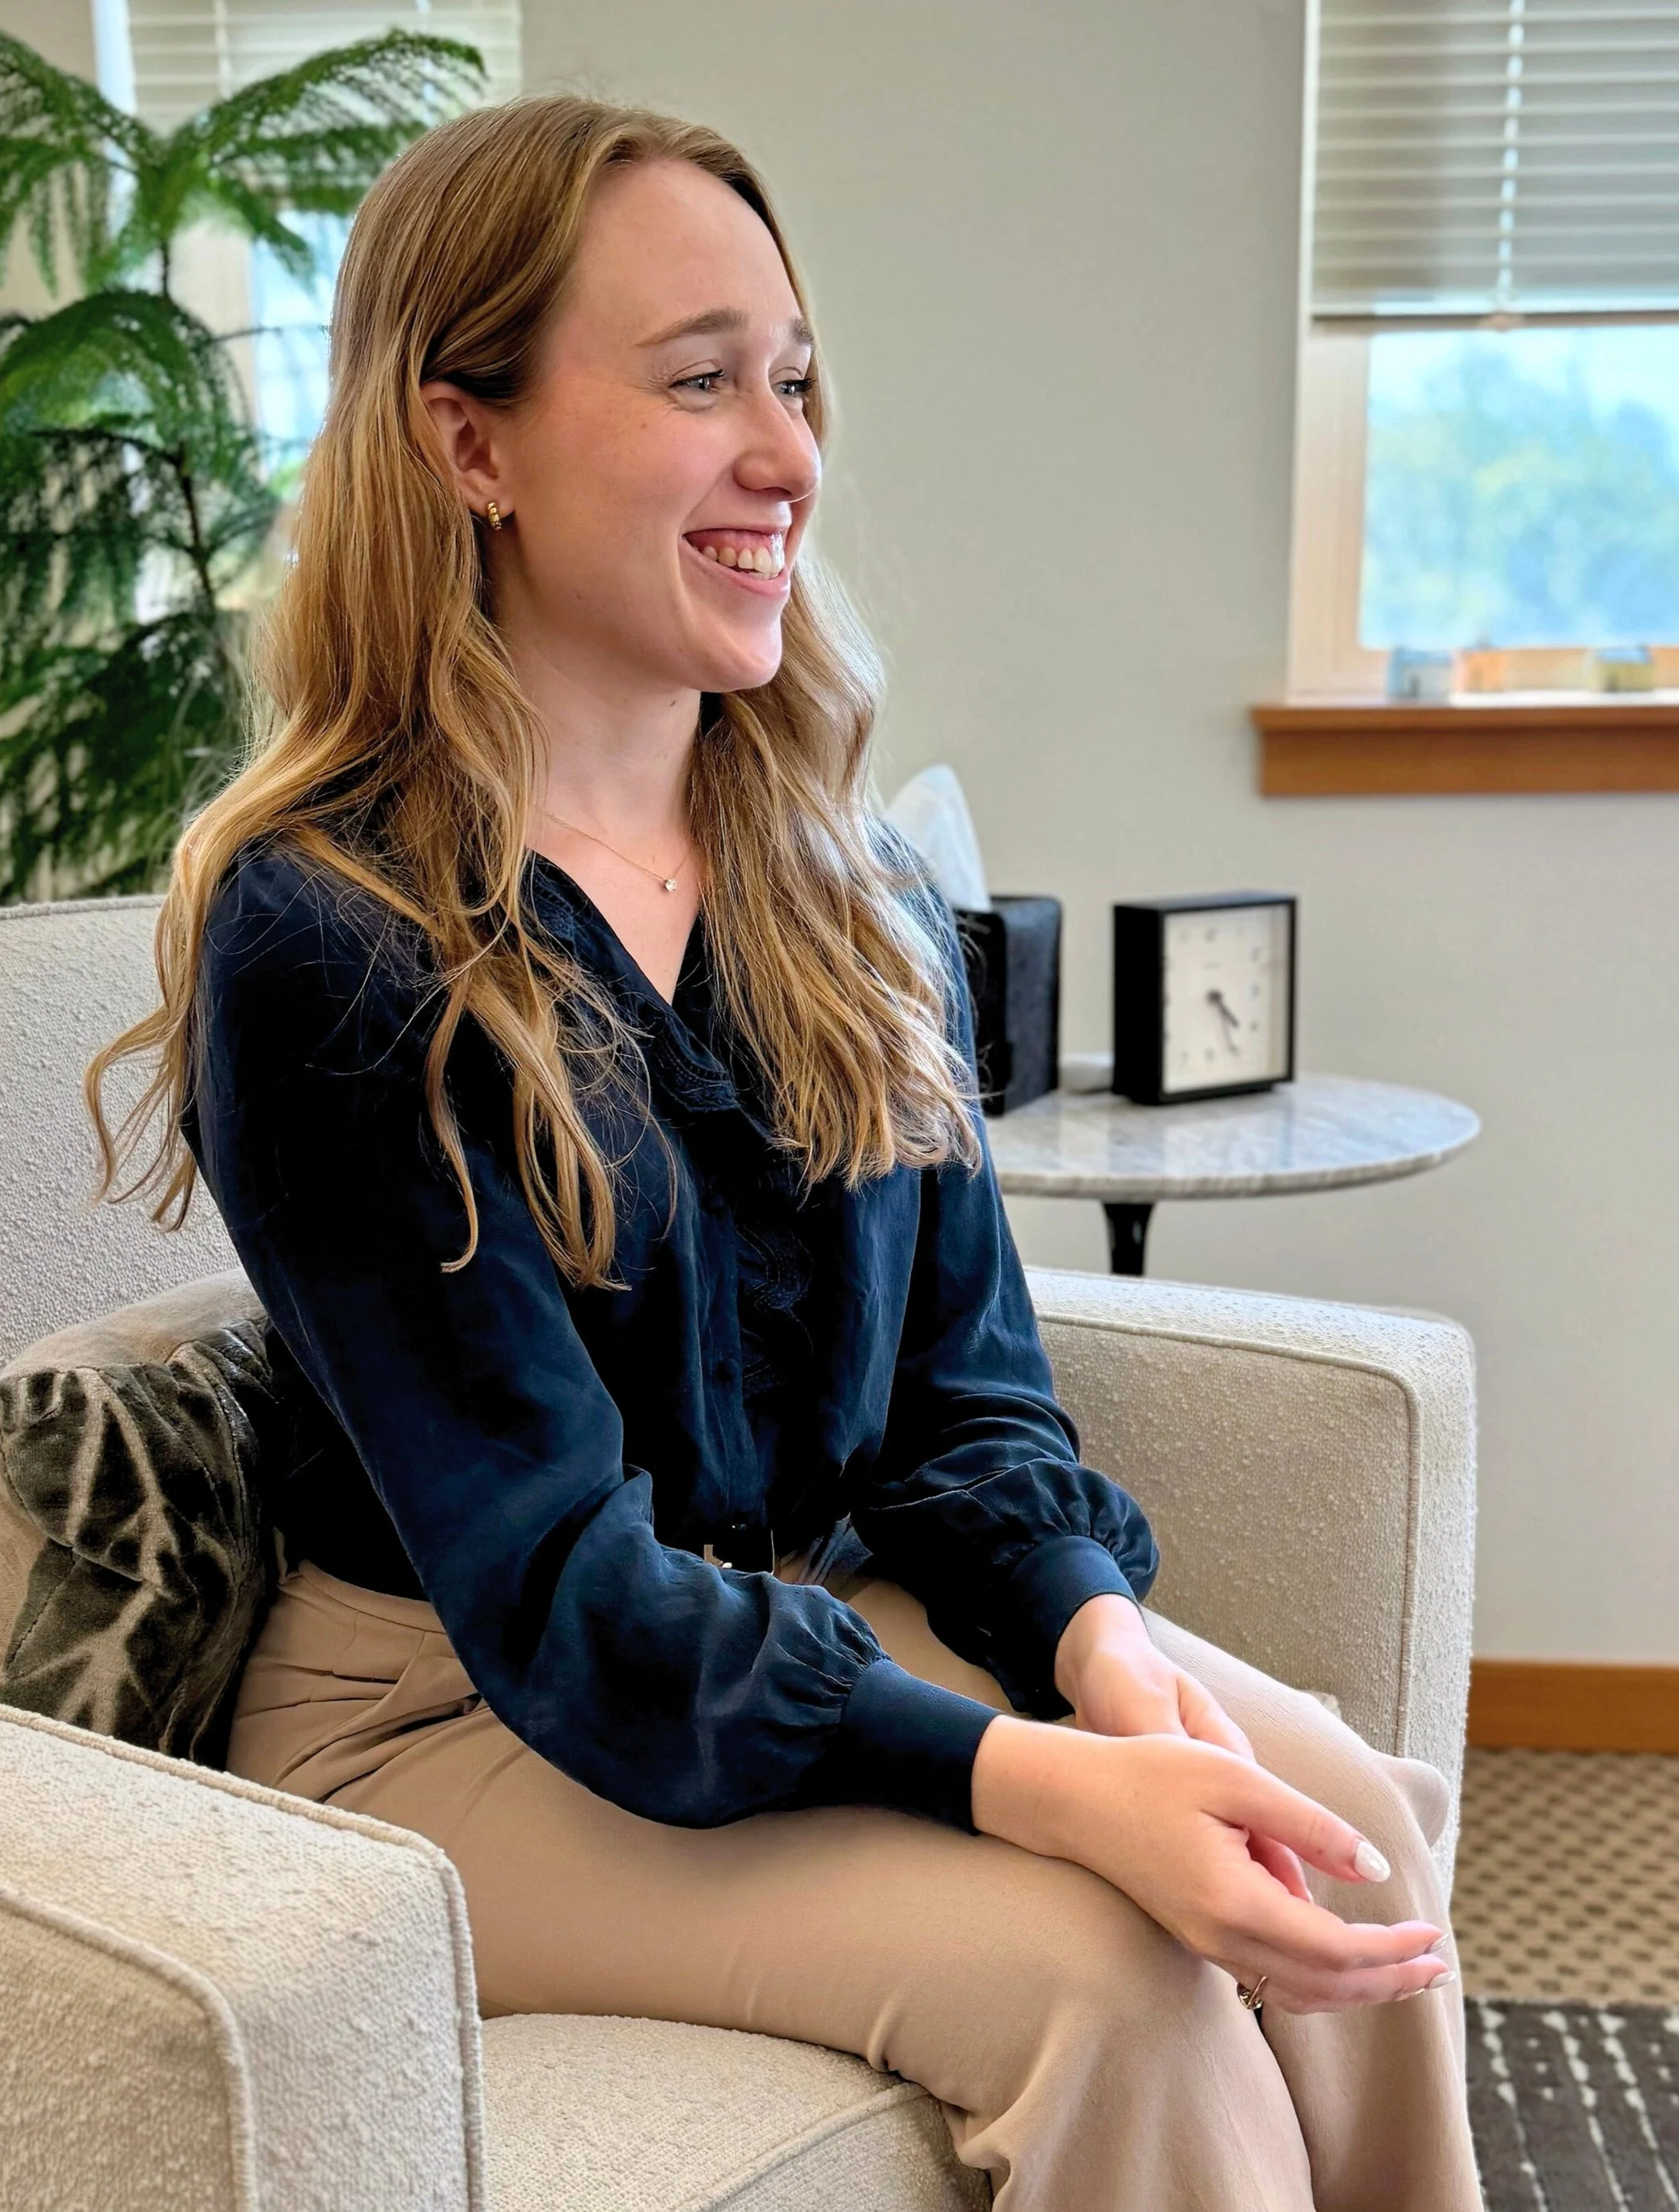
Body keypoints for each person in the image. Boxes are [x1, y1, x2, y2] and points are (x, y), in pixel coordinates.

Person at [87, 93, 1482, 2211]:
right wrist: (1034, 1781)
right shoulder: (336, 938)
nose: (786, 454)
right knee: (1118, 1977)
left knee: (1343, 1834)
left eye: (798, 378)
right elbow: (566, 1594)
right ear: (468, 441)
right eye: (698, 379)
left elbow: (969, 1405)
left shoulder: (849, 885)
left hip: (794, 1628)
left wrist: (1096, 1647)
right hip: (463, 1719)